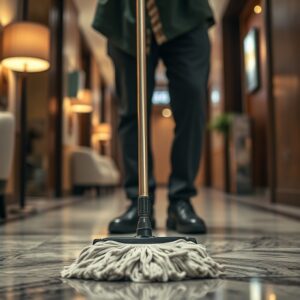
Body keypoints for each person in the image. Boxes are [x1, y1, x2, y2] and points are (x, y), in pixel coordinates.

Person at [92, 0, 214, 234]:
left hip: (184, 14)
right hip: (126, 16)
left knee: (192, 101)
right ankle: (139, 203)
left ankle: (181, 200)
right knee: (132, 111)